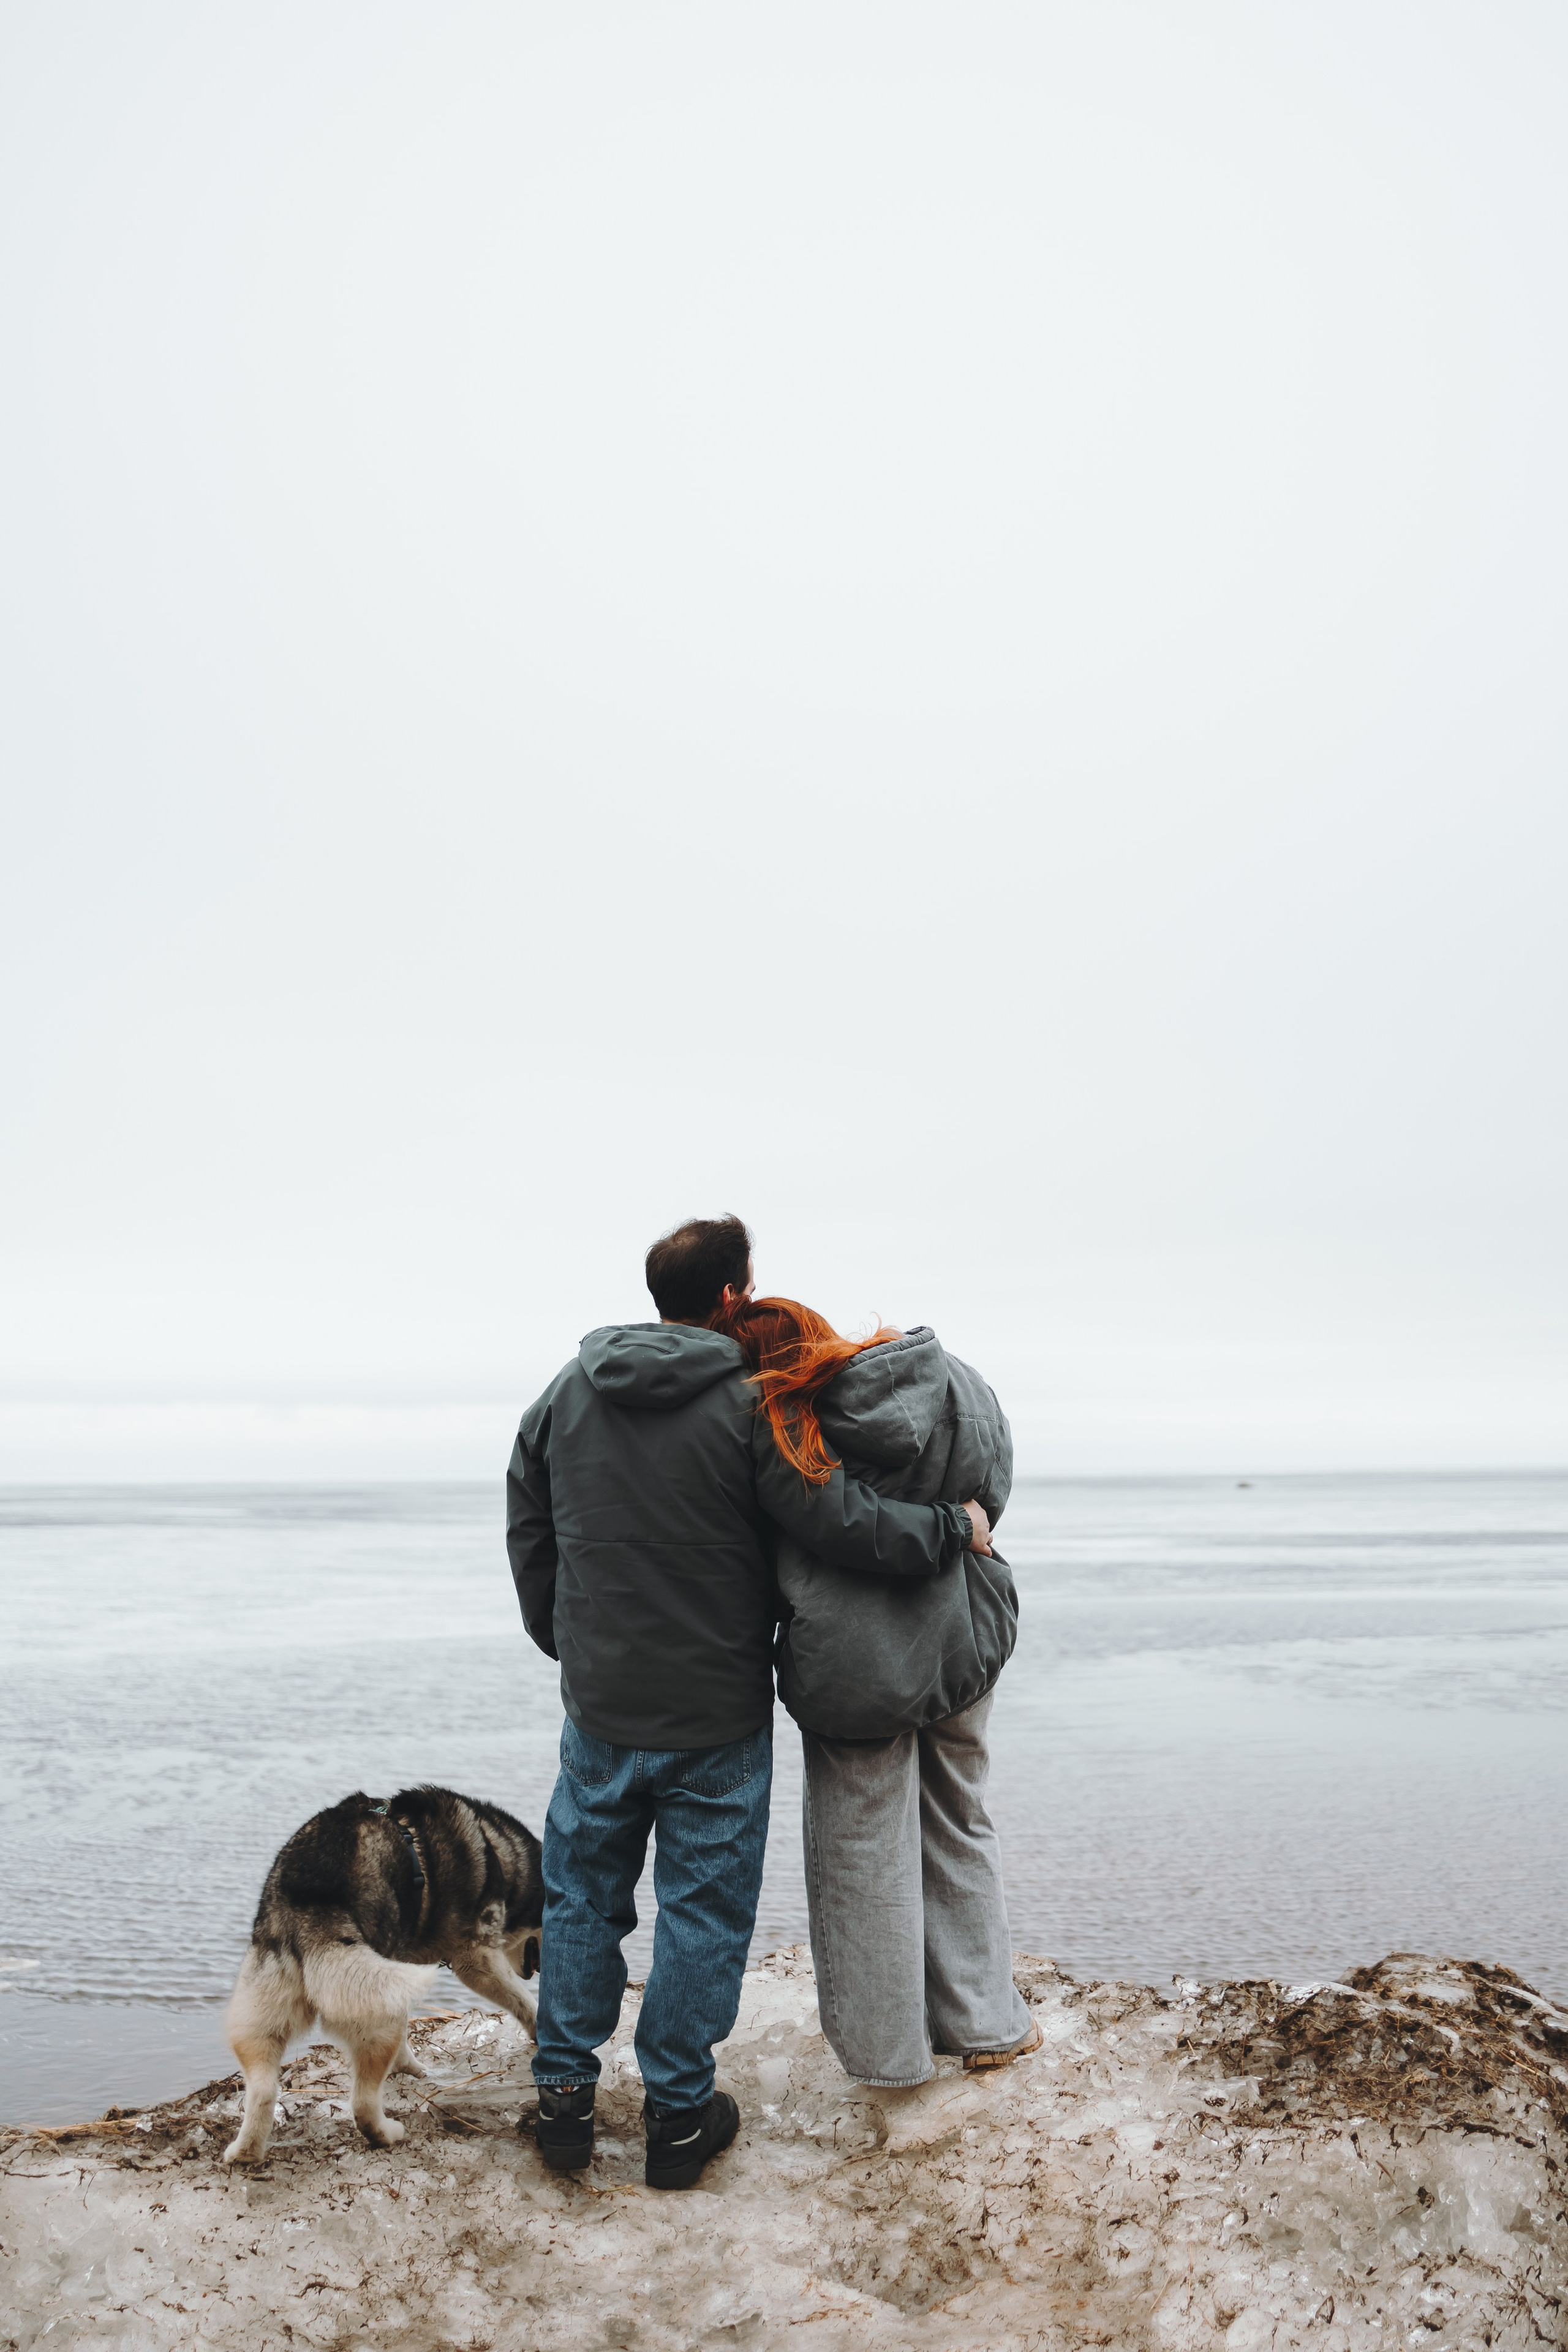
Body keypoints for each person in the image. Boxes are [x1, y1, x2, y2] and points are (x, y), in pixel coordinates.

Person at [505, 1216, 993, 2189]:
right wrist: (952, 1525)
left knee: (582, 1898)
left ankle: (563, 2099)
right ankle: (679, 2120)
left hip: (600, 1709)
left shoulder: (564, 1394)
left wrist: (567, 1643)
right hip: (717, 1715)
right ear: (733, 1297)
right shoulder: (750, 1404)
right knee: (702, 1913)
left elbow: (529, 1528)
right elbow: (836, 1521)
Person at [712, 1293, 1039, 2087]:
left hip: (857, 1667)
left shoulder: (786, 1428)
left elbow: (830, 1527)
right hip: (964, 1639)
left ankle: (891, 2055)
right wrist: (954, 1529)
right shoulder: (959, 1382)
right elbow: (987, 1502)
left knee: (861, 1855)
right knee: (961, 1818)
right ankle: (986, 2021)